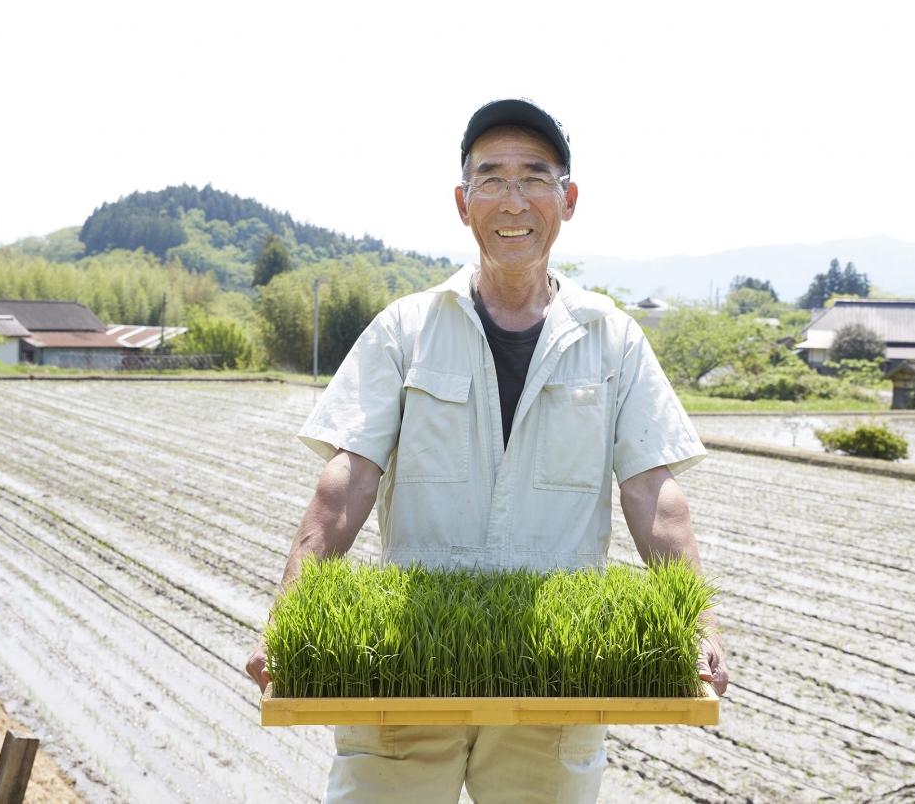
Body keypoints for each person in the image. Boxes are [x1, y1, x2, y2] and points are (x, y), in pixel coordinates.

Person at [246, 98, 728, 803]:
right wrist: (287, 617)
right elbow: (344, 483)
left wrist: (701, 624)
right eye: (491, 178)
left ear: (567, 198)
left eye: (535, 177)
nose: (514, 200)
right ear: (462, 202)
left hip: (555, 681)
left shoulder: (613, 339)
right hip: (405, 667)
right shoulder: (405, 329)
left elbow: (653, 494)